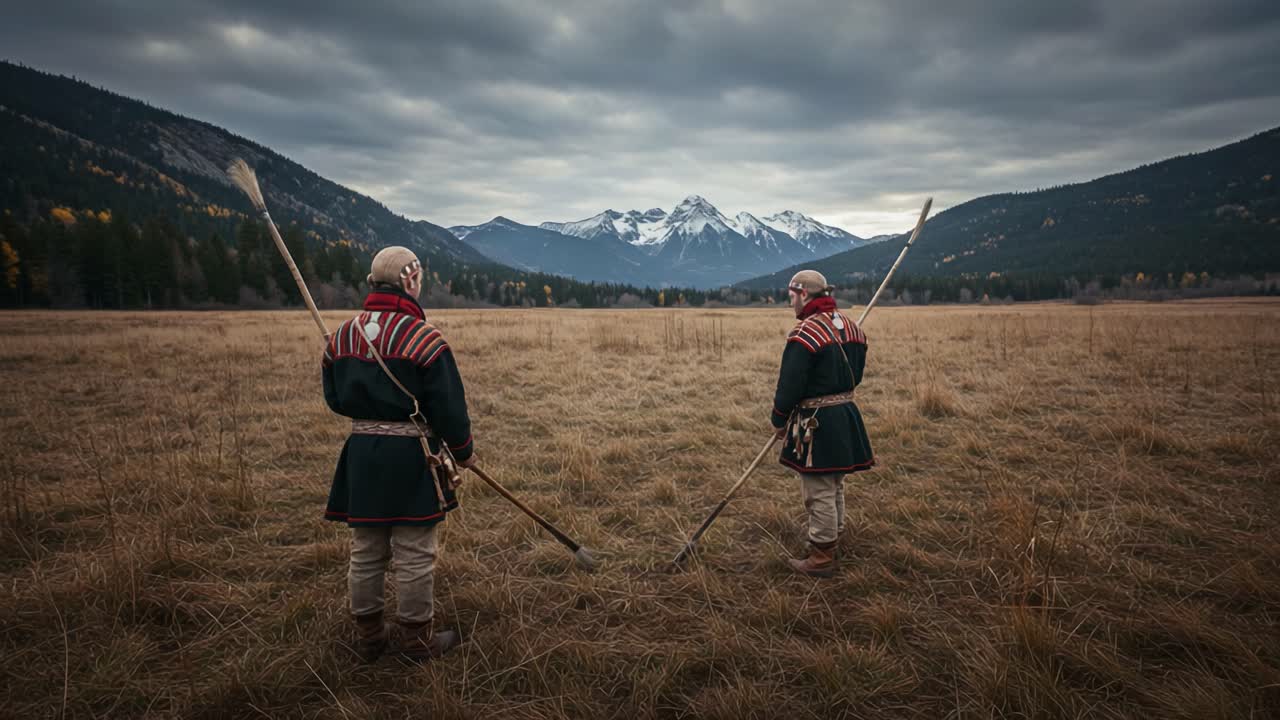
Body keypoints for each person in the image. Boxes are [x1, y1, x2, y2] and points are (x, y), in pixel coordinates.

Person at [321, 246, 476, 661]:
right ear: (409, 281)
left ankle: (370, 636)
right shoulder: (425, 340)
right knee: (414, 550)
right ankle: (416, 640)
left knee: (367, 548)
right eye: (419, 278)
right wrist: (463, 452)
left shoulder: (342, 337)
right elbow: (449, 408)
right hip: (412, 456)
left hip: (362, 454)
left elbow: (335, 400)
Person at [769, 270, 875, 577]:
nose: (791, 303)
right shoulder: (854, 329)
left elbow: (790, 385)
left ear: (804, 294)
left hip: (819, 421)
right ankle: (834, 535)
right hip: (846, 413)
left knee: (819, 489)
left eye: (791, 296)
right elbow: (858, 375)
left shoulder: (804, 335)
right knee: (835, 482)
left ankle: (822, 555)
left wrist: (779, 419)